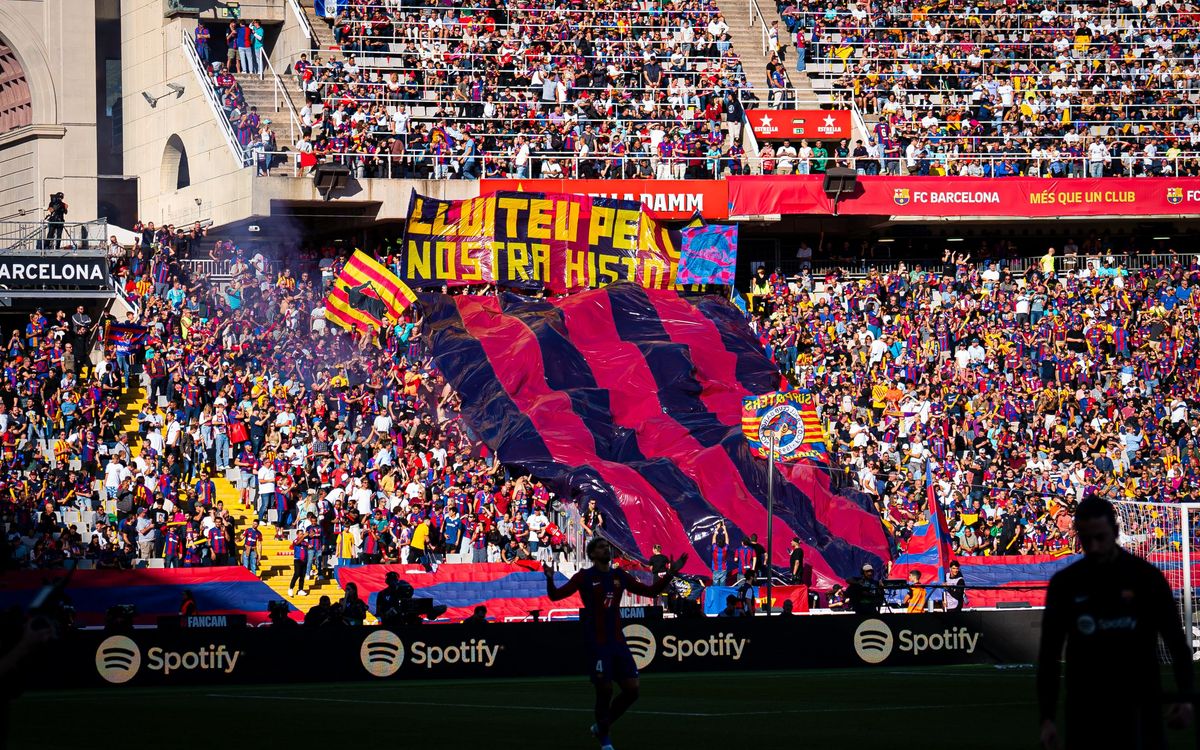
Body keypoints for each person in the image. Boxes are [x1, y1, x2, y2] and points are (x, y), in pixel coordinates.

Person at [1037, 495, 1194, 750]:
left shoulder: (1146, 578)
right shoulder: (1065, 584)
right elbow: (1048, 655)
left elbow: (1176, 641)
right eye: (1087, 540)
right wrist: (1047, 718)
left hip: (1141, 706)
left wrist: (1186, 697)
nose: (1095, 546)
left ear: (1115, 531)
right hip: (1086, 710)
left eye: (1100, 537)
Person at [544, 538, 687, 750]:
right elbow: (556, 596)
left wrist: (672, 573)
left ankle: (602, 726)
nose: (606, 549)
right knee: (605, 690)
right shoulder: (584, 577)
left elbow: (650, 592)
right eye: (601, 547)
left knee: (632, 690)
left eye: (606, 547)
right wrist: (549, 578)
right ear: (592, 554)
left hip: (618, 640)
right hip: (597, 641)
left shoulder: (618, 575)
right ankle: (605, 739)